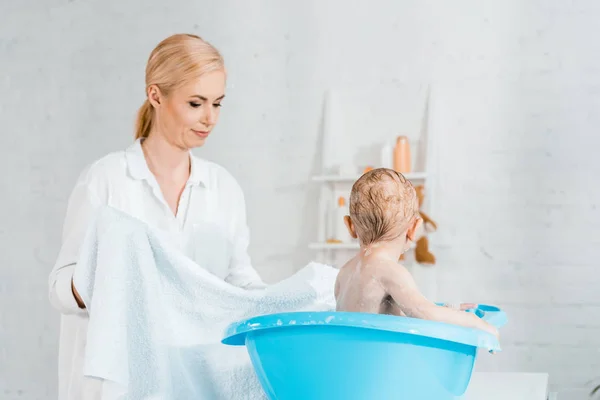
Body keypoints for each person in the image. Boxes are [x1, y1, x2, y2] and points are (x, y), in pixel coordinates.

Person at [48, 33, 265, 399]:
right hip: (119, 383)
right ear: (155, 95)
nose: (209, 118)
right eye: (196, 103)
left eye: (217, 103)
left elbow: (239, 280)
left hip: (194, 380)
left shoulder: (223, 188)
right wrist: (108, 264)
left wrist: (278, 307)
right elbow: (59, 288)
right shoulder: (107, 179)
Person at [334, 168, 498, 337]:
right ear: (413, 229)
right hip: (380, 360)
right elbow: (425, 314)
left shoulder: (344, 272)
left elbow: (383, 316)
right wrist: (475, 321)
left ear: (350, 226)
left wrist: (446, 311)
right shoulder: (390, 272)